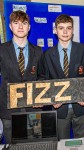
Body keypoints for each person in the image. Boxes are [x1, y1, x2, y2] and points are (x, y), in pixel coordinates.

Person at [37, 14, 84, 140]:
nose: (65, 32)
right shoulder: (47, 54)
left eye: (68, 28)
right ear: (55, 31)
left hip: (80, 107)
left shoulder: (83, 49)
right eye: (61, 28)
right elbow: (43, 80)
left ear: (72, 30)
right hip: (59, 108)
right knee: (61, 143)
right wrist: (52, 98)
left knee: (81, 143)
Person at [0, 10, 42, 143]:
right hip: (8, 108)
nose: (20, 27)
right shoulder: (1, 50)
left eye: (24, 23)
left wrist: (38, 98)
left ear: (29, 27)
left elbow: (42, 77)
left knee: (34, 144)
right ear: (10, 26)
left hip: (33, 107)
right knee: (12, 145)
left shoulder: (38, 51)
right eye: (16, 23)